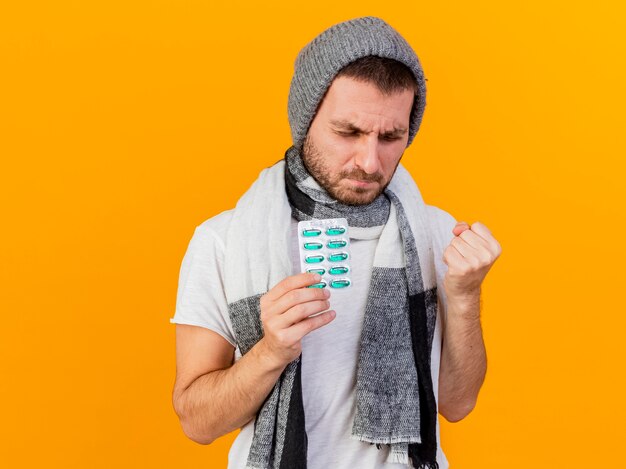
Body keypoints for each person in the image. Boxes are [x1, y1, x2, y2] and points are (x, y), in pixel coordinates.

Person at [170, 16, 501, 469]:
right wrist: (270, 351)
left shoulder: (435, 234)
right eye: (348, 132)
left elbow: (457, 404)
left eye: (391, 137)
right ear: (305, 119)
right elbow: (197, 422)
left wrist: (465, 296)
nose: (369, 161)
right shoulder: (225, 241)